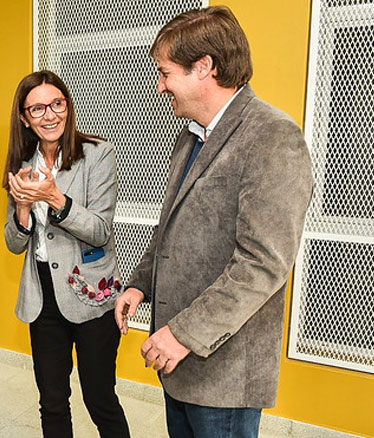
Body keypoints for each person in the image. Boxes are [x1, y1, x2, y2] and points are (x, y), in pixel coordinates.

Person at [113, 7, 313, 438]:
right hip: (178, 362)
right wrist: (140, 283)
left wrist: (183, 333)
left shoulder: (272, 136)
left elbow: (262, 264)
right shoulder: (191, 136)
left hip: (223, 372)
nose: (161, 84)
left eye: (166, 72)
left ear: (204, 67)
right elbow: (171, 227)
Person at [3, 70, 129, 437]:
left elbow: (101, 231)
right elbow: (13, 244)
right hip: (42, 294)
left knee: (99, 397)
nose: (50, 115)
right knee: (52, 401)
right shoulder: (21, 164)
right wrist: (23, 211)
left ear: (68, 106)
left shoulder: (98, 154)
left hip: (91, 291)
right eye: (37, 108)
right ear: (24, 118)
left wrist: (54, 198)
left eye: (57, 104)